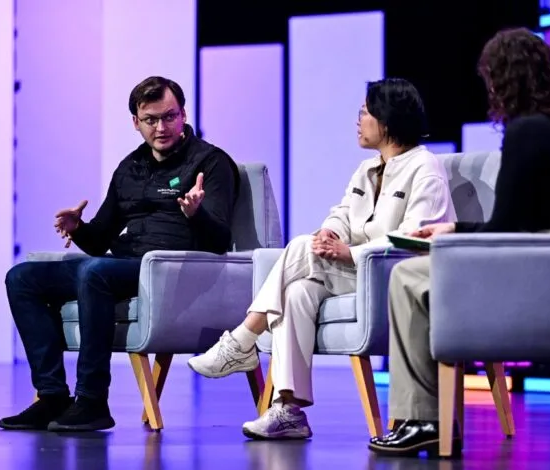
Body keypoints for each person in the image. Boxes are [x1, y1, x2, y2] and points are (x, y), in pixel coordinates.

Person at [368, 28, 550, 456]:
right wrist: (457, 233)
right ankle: (432, 420)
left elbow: (508, 225)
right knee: (422, 279)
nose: (490, 88)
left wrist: (452, 233)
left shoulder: (527, 131)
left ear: (507, 79)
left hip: (538, 265)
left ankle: (421, 418)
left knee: (405, 276)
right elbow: (527, 221)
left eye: (492, 78)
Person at [187, 78, 456, 440]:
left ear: (387, 121)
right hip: (354, 273)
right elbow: (343, 213)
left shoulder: (426, 168)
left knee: (298, 247)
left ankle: (241, 341)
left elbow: (413, 240)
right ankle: (289, 410)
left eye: (364, 112)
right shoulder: (366, 169)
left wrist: (351, 252)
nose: (357, 120)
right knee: (296, 292)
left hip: (395, 277)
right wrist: (330, 233)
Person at [0, 76, 240, 432]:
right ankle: (51, 396)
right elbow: (100, 241)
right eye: (151, 119)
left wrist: (196, 214)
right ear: (136, 122)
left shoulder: (212, 163)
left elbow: (220, 241)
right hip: (122, 262)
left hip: (169, 268)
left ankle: (93, 401)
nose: (162, 127)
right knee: (22, 277)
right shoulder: (130, 168)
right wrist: (78, 228)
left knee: (93, 273)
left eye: (170, 117)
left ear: (184, 114)